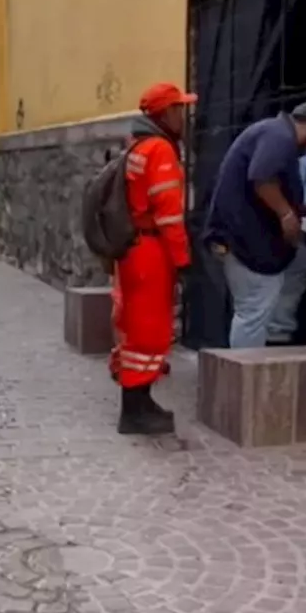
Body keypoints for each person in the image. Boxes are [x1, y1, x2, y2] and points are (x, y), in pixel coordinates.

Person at [108, 83, 195, 435]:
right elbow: (169, 215)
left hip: (135, 249)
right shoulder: (159, 149)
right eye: (179, 109)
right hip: (150, 252)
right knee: (149, 331)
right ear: (166, 114)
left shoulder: (138, 145)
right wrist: (183, 260)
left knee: (137, 327)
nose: (184, 115)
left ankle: (139, 401)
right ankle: (134, 410)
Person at [203, 102, 306, 348]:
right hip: (246, 243)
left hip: (244, 238)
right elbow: (262, 177)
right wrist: (287, 214)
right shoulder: (279, 136)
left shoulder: (272, 132)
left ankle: (277, 334)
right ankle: (246, 376)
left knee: (299, 262)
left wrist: (301, 209)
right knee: (252, 311)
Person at [267, 145, 306, 345]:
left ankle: (278, 336)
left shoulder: (302, 162)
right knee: (291, 292)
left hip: (298, 233)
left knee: (286, 292)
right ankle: (279, 339)